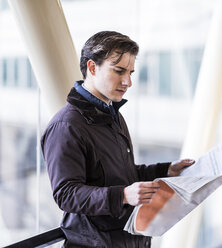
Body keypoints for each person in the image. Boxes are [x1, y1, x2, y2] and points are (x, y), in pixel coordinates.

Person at [41, 31, 195, 248]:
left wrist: (167, 170)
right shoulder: (66, 126)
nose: (128, 81)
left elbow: (122, 175)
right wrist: (122, 195)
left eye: (131, 72)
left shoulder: (111, 114)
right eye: (119, 71)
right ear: (92, 68)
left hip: (129, 239)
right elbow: (66, 195)